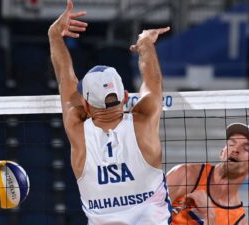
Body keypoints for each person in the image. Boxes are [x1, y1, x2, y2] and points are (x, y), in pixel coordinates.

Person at [48, 0, 172, 224]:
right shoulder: (143, 122)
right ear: (125, 97)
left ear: (85, 106)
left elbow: (65, 80)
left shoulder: (77, 130)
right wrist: (145, 43)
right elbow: (153, 81)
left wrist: (55, 35)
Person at [167, 123, 249, 225]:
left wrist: (209, 215)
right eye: (231, 144)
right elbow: (150, 215)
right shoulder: (186, 174)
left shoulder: (238, 221)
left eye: (246, 148)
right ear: (222, 153)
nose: (235, 150)